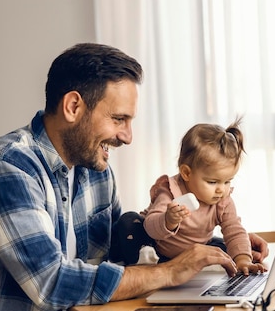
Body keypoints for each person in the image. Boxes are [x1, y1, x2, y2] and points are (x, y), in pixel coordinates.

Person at [0, 42, 270, 311]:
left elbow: (121, 253)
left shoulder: (95, 171)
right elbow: (51, 283)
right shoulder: (6, 168)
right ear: (73, 107)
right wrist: (168, 273)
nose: (127, 136)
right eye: (118, 119)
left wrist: (222, 245)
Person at [114, 118, 266, 276]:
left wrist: (242, 259)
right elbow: (151, 228)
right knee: (128, 221)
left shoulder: (223, 201)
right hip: (157, 247)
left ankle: (245, 258)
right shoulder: (171, 191)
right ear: (186, 173)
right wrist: (168, 220)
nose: (221, 189)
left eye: (227, 181)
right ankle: (144, 260)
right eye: (213, 182)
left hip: (193, 252)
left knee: (224, 248)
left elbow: (234, 230)